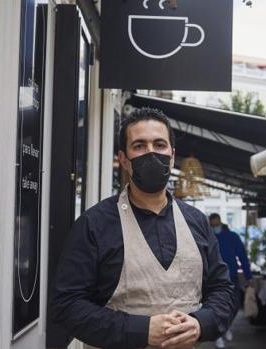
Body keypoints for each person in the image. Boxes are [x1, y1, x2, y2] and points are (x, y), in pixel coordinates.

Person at [51, 107, 235, 349]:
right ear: (123, 159)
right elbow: (68, 305)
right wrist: (141, 330)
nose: (151, 153)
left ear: (171, 155)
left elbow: (222, 289)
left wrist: (201, 324)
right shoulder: (94, 224)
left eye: (159, 145)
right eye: (139, 146)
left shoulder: (197, 222)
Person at [208, 213, 252, 349]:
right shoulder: (208, 237)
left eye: (216, 225)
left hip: (231, 276)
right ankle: (219, 334)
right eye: (212, 225)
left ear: (221, 222)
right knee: (216, 307)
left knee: (235, 304)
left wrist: (248, 276)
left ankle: (226, 327)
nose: (215, 227)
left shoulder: (232, 237)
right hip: (213, 278)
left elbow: (242, 256)